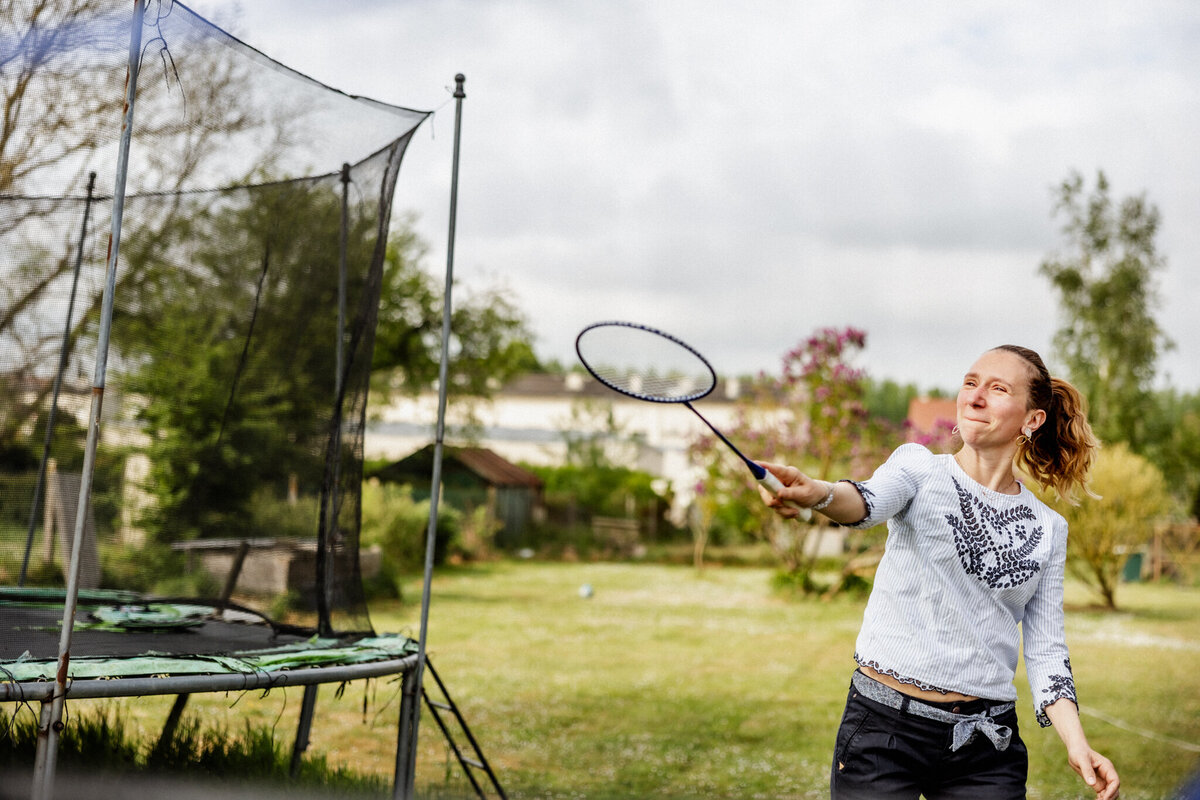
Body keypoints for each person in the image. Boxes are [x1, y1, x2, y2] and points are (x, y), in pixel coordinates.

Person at [759, 345, 1120, 800]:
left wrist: (1078, 743)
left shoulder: (1049, 528)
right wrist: (817, 494)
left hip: (986, 748)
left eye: (997, 388)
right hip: (883, 735)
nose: (975, 397)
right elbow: (865, 503)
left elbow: (1047, 649)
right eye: (970, 383)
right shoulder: (918, 469)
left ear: (1032, 420)